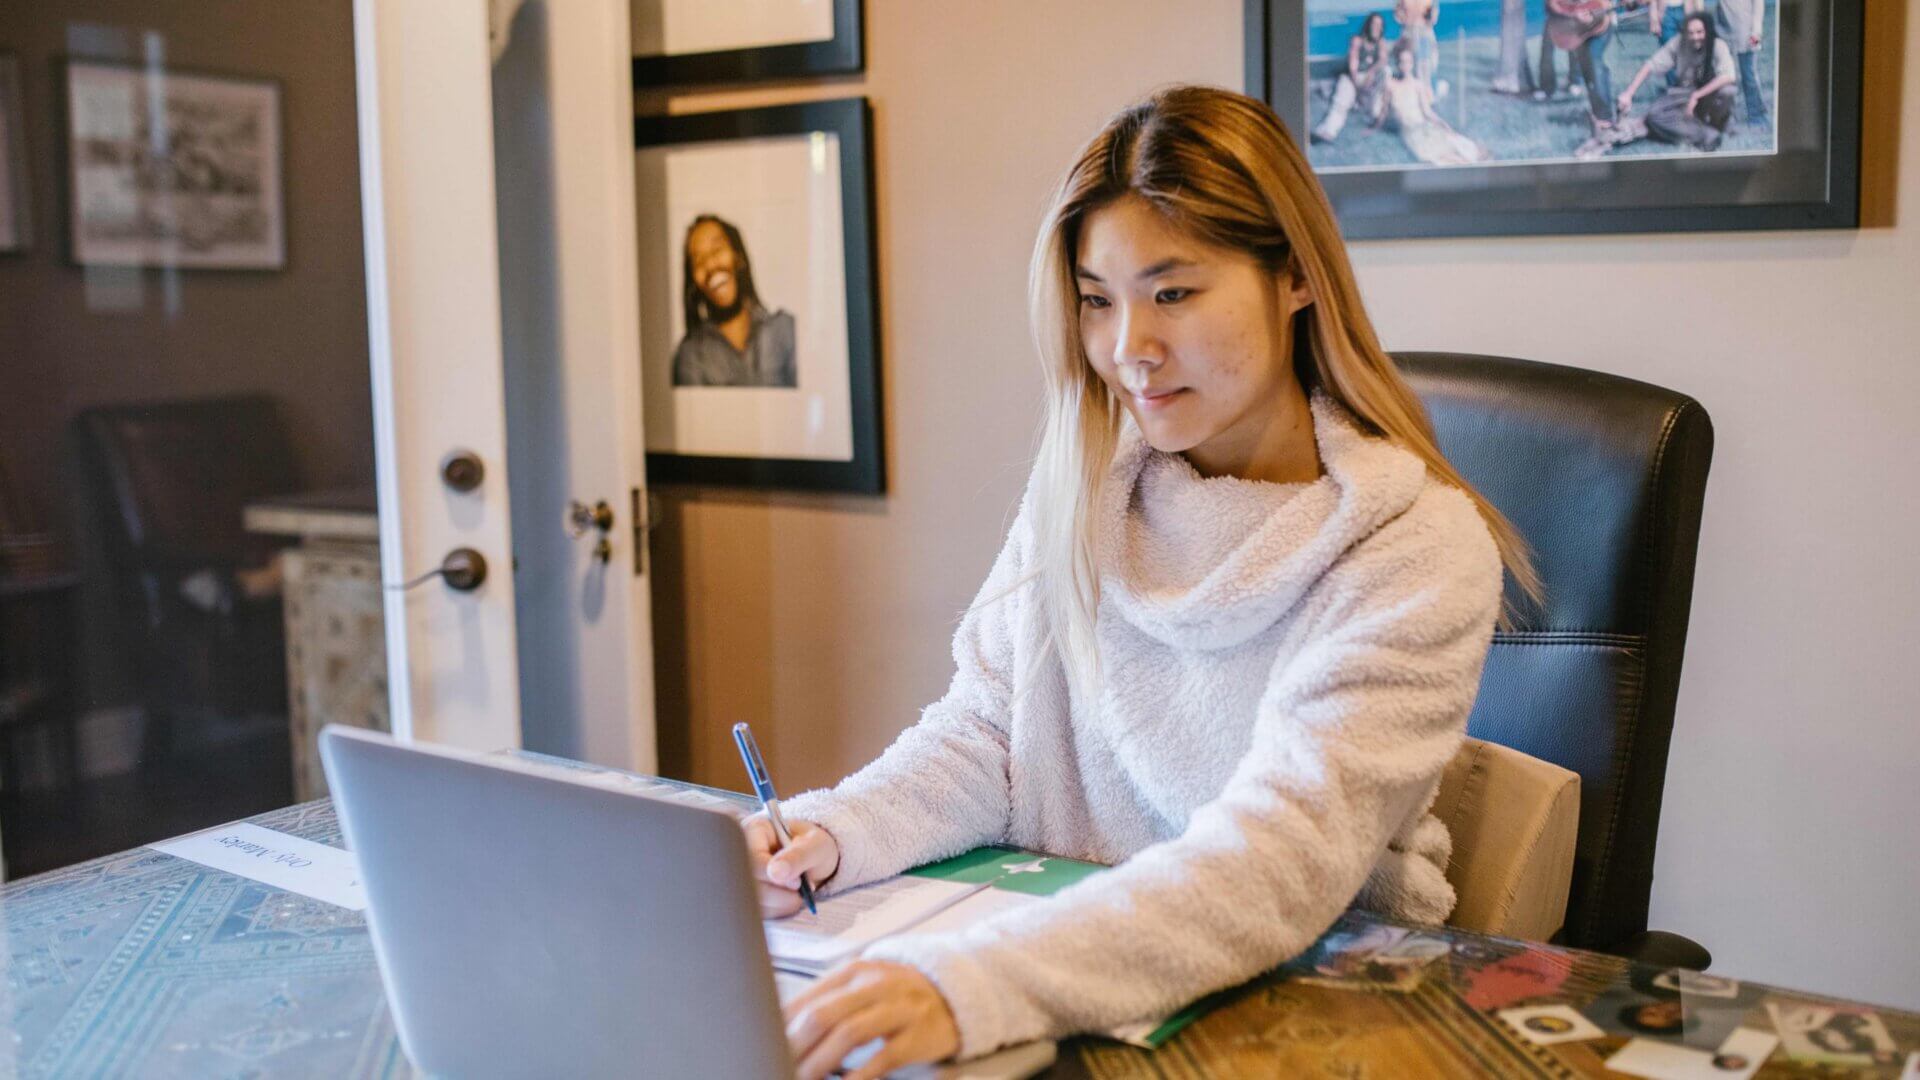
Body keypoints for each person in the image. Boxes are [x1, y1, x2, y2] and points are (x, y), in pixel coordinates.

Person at [748, 85, 1540, 1078]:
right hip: (1068, 979)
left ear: (1295, 277)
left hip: (1305, 1006)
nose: (1129, 349)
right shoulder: (1081, 492)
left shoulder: (1415, 547)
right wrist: (834, 827)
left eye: (1173, 292)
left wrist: (973, 983)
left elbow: (1277, 865)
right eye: (1097, 299)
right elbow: (990, 735)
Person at [671, 213, 798, 388]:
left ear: (738, 257)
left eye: (717, 249)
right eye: (699, 260)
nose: (711, 265)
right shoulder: (690, 356)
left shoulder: (785, 330)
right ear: (694, 281)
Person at [1595, 12, 1737, 154]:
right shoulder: (1678, 42)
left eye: (1700, 32)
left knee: (1728, 91)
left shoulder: (1718, 45)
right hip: (1684, 93)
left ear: (1707, 30)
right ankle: (1706, 134)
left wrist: (1697, 96)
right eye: (1690, 33)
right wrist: (1629, 93)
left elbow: (1728, 76)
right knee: (1654, 116)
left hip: (1709, 94)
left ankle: (1718, 123)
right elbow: (1650, 65)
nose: (1695, 37)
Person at [1384, 43, 1492, 165]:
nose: (1405, 65)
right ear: (1397, 63)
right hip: (1409, 131)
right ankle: (1467, 165)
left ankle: (1473, 161)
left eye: (1408, 61)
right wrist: (1374, 126)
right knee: (1431, 155)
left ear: (1412, 63)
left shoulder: (1417, 85)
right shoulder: (1391, 85)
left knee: (1451, 142)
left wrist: (1442, 123)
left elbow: (1427, 111)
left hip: (1422, 125)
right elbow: (1384, 110)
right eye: (1402, 61)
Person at [1311, 12, 1392, 143]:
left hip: (1370, 80)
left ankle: (1376, 116)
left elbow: (1382, 60)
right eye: (1374, 24)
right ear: (1368, 25)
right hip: (1353, 77)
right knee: (1341, 101)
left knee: (1386, 72)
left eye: (1379, 25)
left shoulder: (1381, 43)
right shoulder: (1357, 40)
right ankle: (1327, 131)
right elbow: (1352, 66)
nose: (1376, 27)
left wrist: (1371, 73)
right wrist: (1358, 87)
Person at [1546, 0, 1619, 130]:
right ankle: (1598, 113)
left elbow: (1603, 6)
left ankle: (1605, 118)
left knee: (1595, 63)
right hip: (1578, 28)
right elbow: (1552, 5)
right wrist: (1573, 15)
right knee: (1587, 69)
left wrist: (1593, 15)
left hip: (1601, 26)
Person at [1714, 0, 1769, 127]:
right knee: (1724, 76)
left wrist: (1756, 30)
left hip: (1746, 32)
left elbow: (1758, 4)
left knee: (1749, 76)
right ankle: (1726, 116)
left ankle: (1757, 115)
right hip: (1723, 31)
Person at [1395, 0, 1442, 89]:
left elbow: (1433, 19)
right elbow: (1398, 15)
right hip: (1408, 33)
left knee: (1426, 69)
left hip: (1424, 33)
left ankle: (1428, 97)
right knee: (1407, 68)